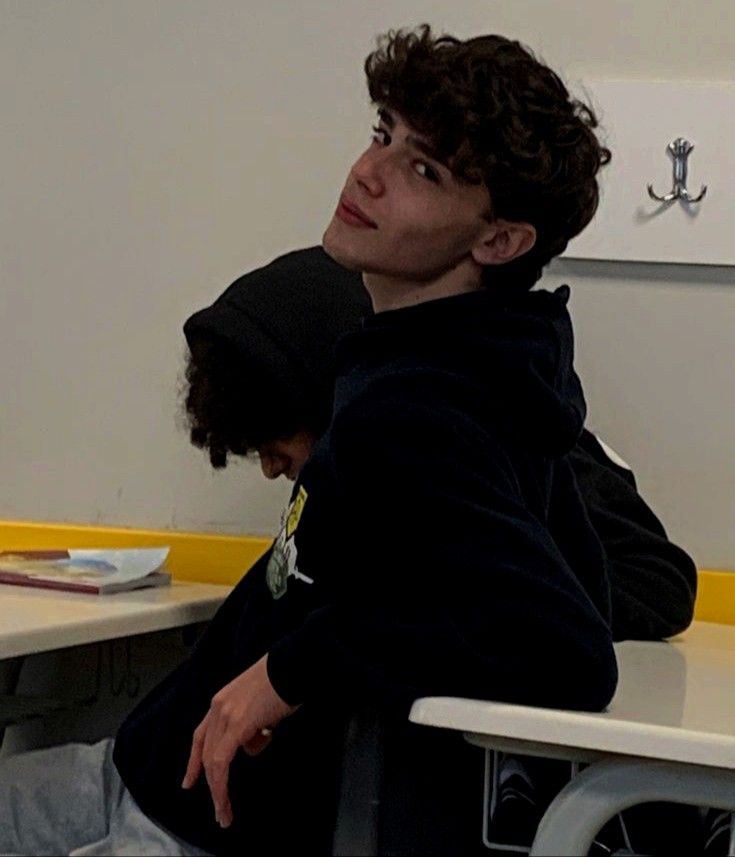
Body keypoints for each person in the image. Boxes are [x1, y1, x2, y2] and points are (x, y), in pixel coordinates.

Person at [0, 27, 698, 857]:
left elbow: (564, 642)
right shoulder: (474, 366)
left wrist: (292, 670)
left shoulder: (421, 402)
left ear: (499, 240)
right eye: (384, 136)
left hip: (199, 820)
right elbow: (549, 586)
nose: (370, 172)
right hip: (147, 766)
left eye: (424, 169)